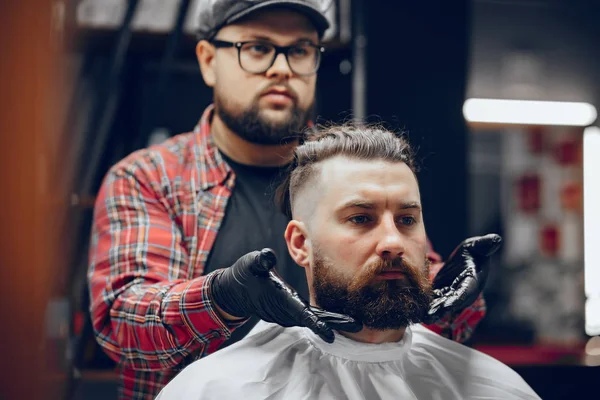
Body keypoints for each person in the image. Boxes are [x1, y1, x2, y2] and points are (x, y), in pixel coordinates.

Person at [88, 1, 500, 398]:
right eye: (257, 48)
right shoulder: (150, 179)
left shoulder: (356, 174)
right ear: (208, 60)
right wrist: (223, 297)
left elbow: (412, 321)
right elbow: (123, 327)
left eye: (300, 50)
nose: (282, 68)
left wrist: (446, 295)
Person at [155, 124, 537, 400]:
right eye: (360, 218)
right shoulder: (218, 389)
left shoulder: (493, 387)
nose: (392, 241)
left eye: (406, 220)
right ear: (300, 244)